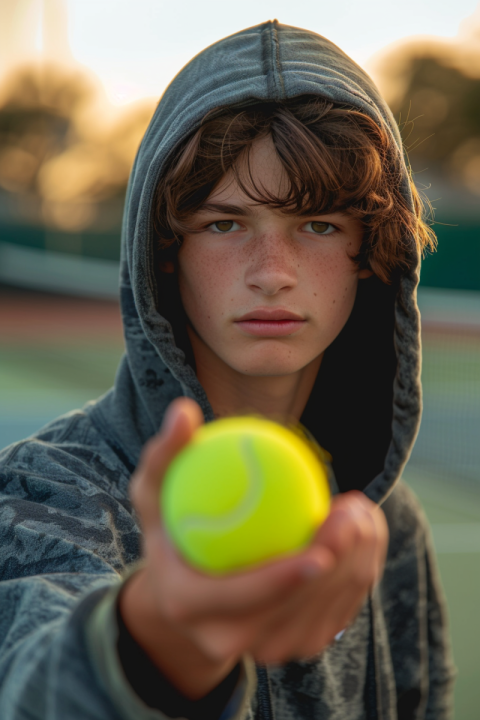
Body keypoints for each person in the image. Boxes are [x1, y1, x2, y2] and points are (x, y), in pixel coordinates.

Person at [0, 20, 455, 720]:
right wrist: (154, 644)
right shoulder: (43, 491)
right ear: (166, 251)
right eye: (224, 224)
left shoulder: (386, 523)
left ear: (371, 255)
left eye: (319, 225)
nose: (272, 274)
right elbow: (29, 687)